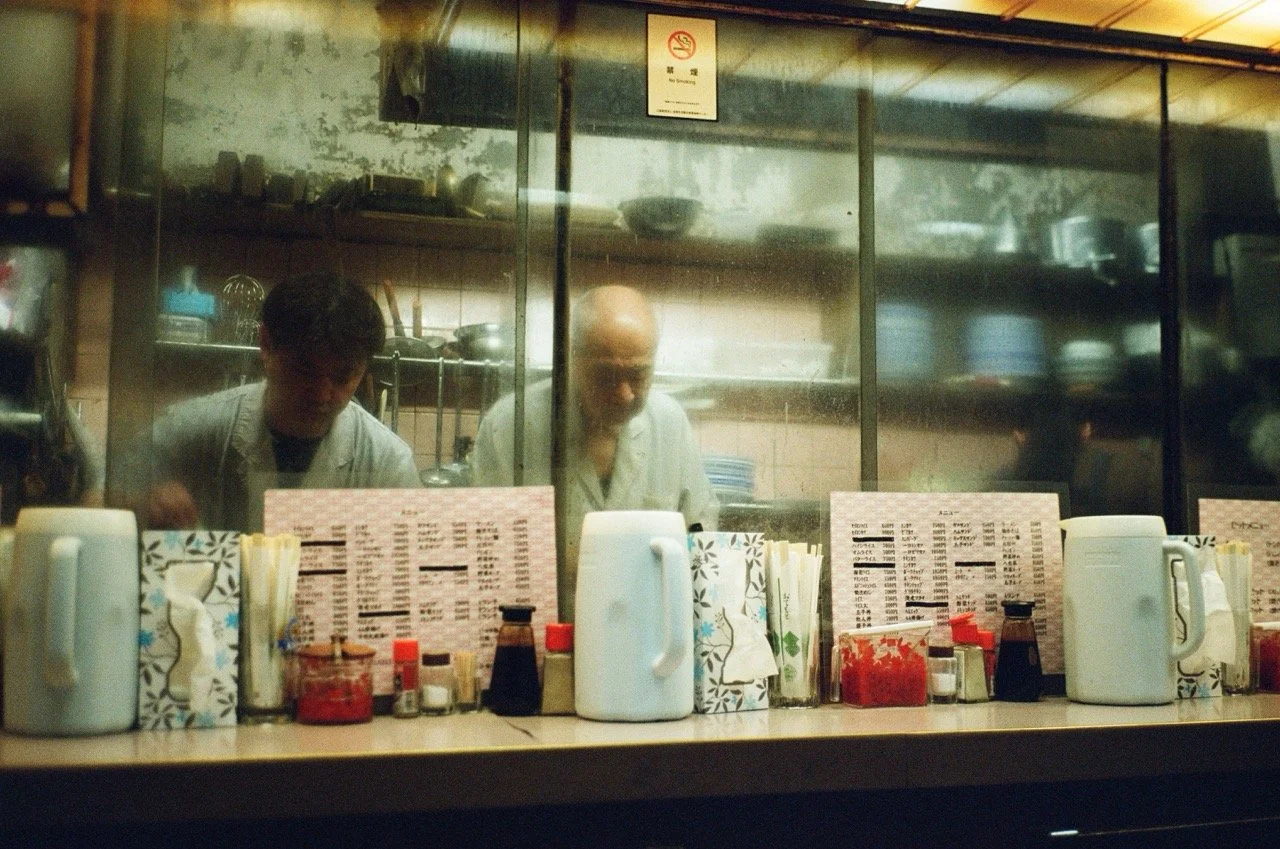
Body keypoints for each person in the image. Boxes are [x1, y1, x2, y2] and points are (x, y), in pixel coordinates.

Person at [472, 285, 717, 612]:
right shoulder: (510, 425)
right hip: (543, 637)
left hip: (645, 634)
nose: (625, 394)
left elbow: (702, 540)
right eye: (606, 376)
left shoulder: (671, 425)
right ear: (571, 358)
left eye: (638, 375)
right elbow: (484, 550)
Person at [146, 271, 419, 532]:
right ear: (266, 344)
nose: (322, 394)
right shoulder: (194, 427)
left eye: (343, 376)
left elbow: (417, 562)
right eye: (305, 370)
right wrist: (141, 496)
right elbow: (114, 484)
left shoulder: (388, 461)